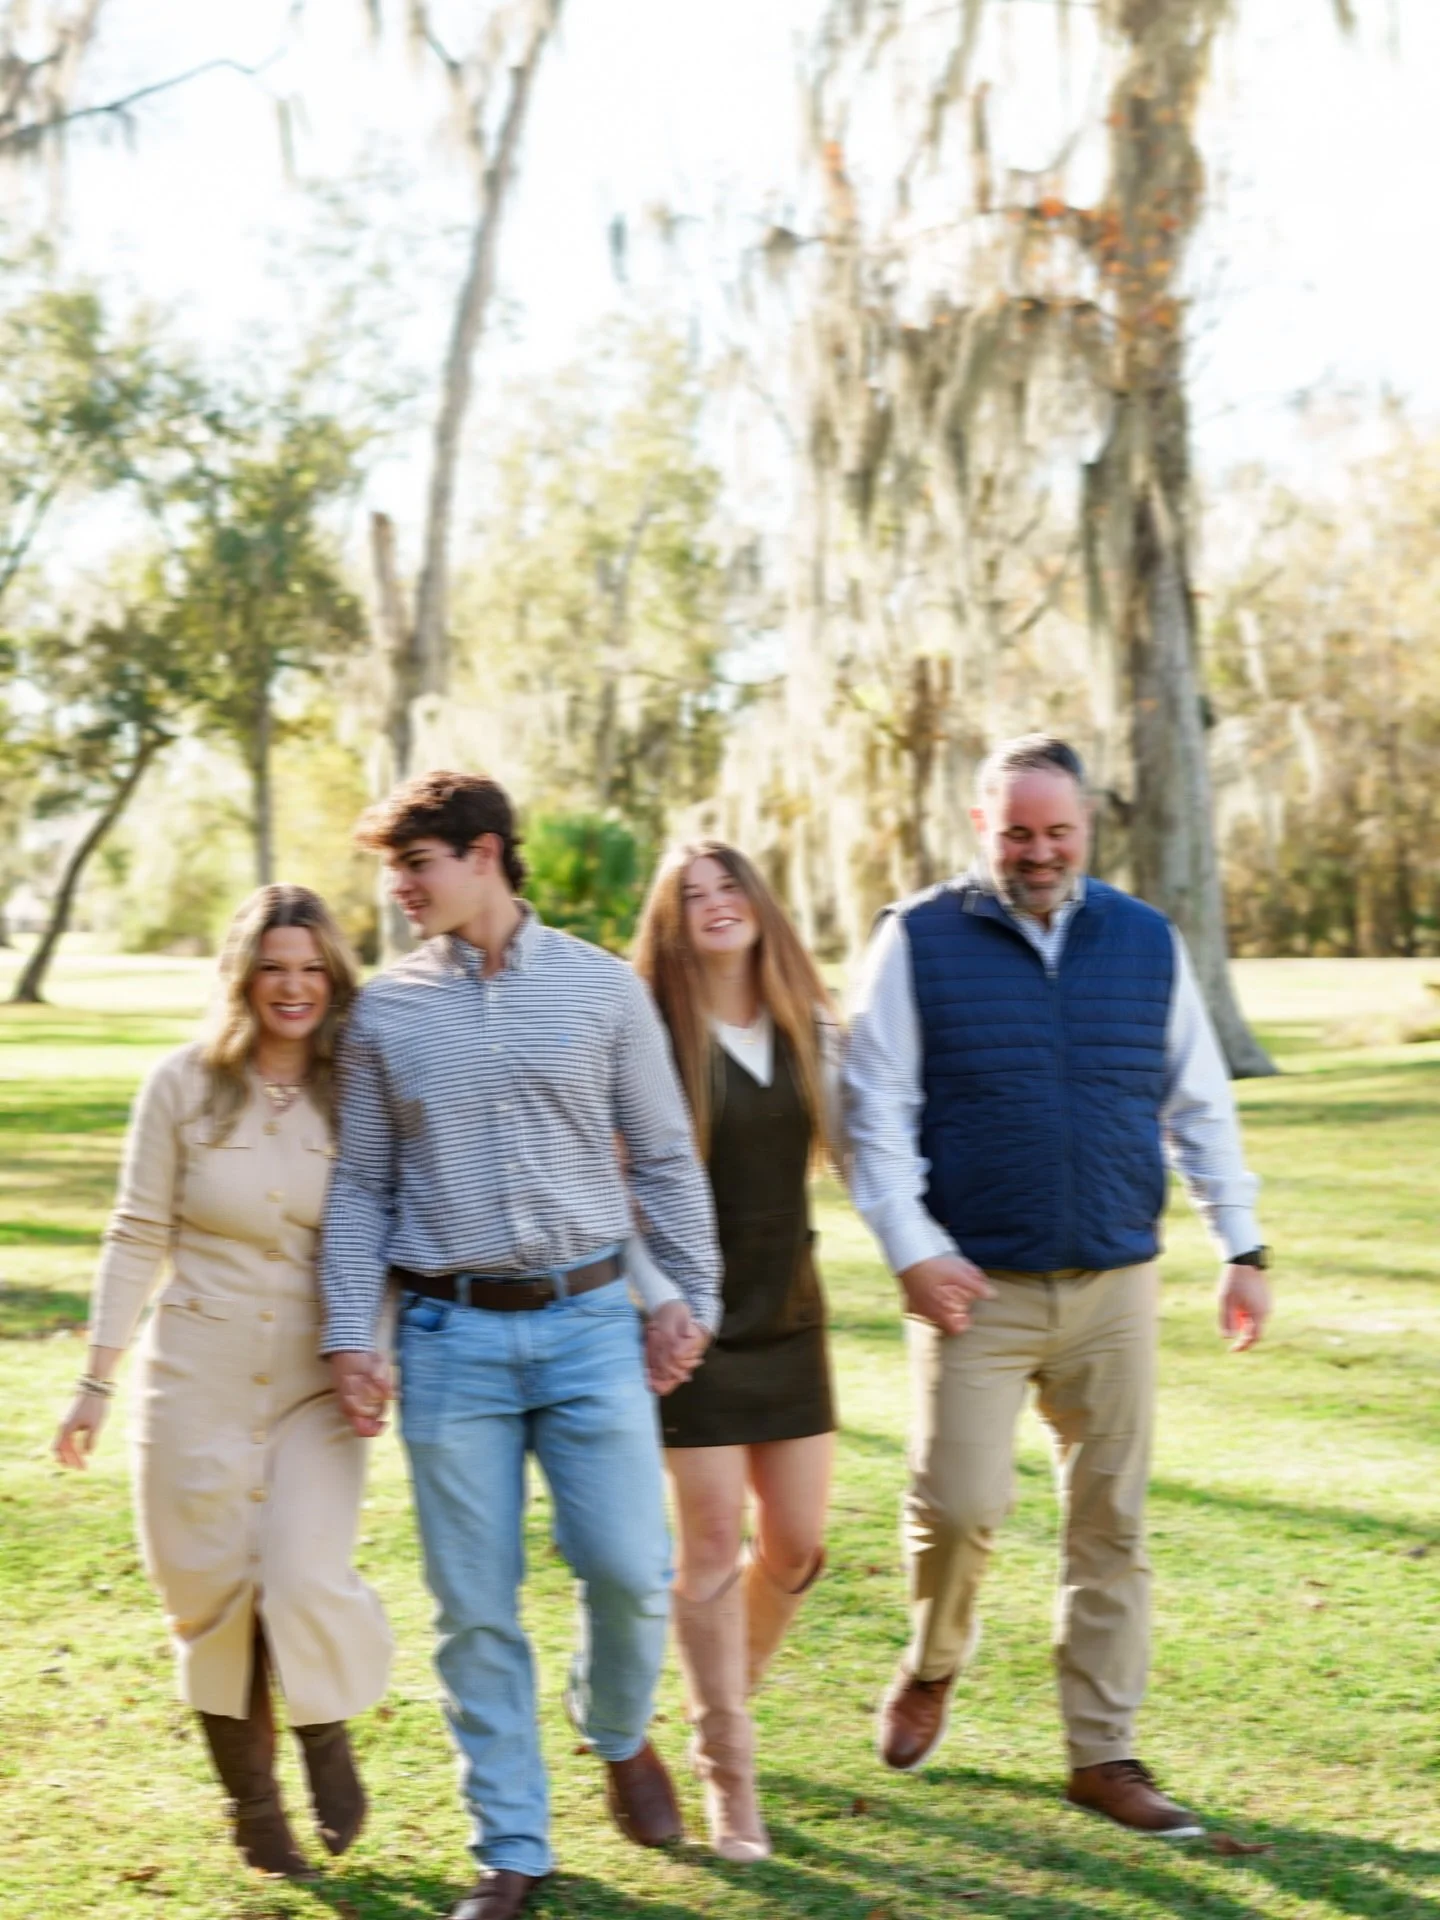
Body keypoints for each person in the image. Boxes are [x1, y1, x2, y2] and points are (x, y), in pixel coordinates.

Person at [845, 733, 1272, 1839]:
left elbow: (1197, 1100)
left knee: (1112, 1524)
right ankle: (935, 1660)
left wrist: (1244, 1246)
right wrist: (913, 1248)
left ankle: (1103, 1754)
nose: (1038, 852)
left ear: (1087, 830)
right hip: (972, 1287)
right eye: (1018, 832)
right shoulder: (917, 939)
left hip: (1114, 1283)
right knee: (959, 1509)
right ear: (984, 828)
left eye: (1058, 832)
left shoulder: (1143, 939)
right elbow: (875, 1113)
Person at [319, 770, 721, 1920]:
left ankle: (617, 1730)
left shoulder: (600, 990)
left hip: (594, 1323)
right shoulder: (388, 1013)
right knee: (474, 1605)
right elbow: (360, 1188)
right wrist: (356, 1333)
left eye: (418, 865)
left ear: (486, 853)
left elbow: (658, 1154)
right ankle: (513, 1845)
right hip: (449, 1339)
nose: (398, 890)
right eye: (393, 870)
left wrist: (685, 1296)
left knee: (631, 1572)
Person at [52, 885, 393, 1881]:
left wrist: (372, 1352)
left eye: (311, 969)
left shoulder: (361, 1097)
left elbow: (383, 1245)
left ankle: (324, 1732)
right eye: (274, 967)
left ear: (334, 980)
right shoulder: (181, 1087)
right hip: (191, 1375)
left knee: (300, 1574)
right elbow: (134, 1235)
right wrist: (95, 1381)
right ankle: (252, 1807)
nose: (292, 987)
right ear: (243, 976)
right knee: (209, 1597)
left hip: (314, 1378)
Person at [631, 840, 844, 1863]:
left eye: (730, 888)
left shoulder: (812, 1025)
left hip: (791, 1313)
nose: (716, 906)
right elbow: (614, 1192)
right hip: (694, 1329)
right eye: (693, 896)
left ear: (761, 903)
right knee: (712, 1547)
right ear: (671, 922)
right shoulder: (651, 1036)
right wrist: (660, 1302)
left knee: (797, 1545)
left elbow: (875, 1147)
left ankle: (719, 1694)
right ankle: (730, 1779)